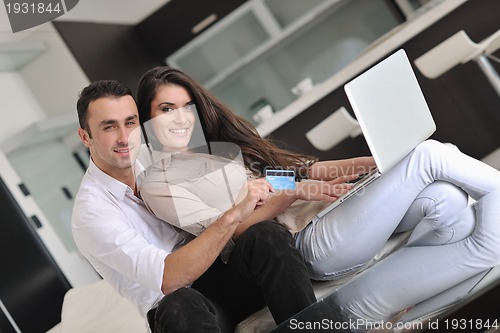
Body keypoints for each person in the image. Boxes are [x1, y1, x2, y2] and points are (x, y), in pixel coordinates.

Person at [135, 66, 500, 331]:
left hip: (324, 214)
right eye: (166, 109)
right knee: (431, 155)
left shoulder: (221, 155)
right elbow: (233, 231)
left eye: (187, 107)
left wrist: (372, 161)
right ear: (146, 121)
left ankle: (418, 315)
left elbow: (291, 176)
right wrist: (293, 191)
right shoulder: (158, 181)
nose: (181, 117)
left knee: (444, 197)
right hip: (301, 241)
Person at [71, 80, 318, 333]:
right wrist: (233, 216)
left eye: (130, 122)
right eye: (109, 126)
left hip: (226, 276)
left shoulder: (153, 154)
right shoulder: (91, 213)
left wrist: (303, 180)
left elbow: (246, 176)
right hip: (179, 308)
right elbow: (170, 278)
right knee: (180, 303)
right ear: (85, 136)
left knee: (265, 235)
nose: (124, 138)